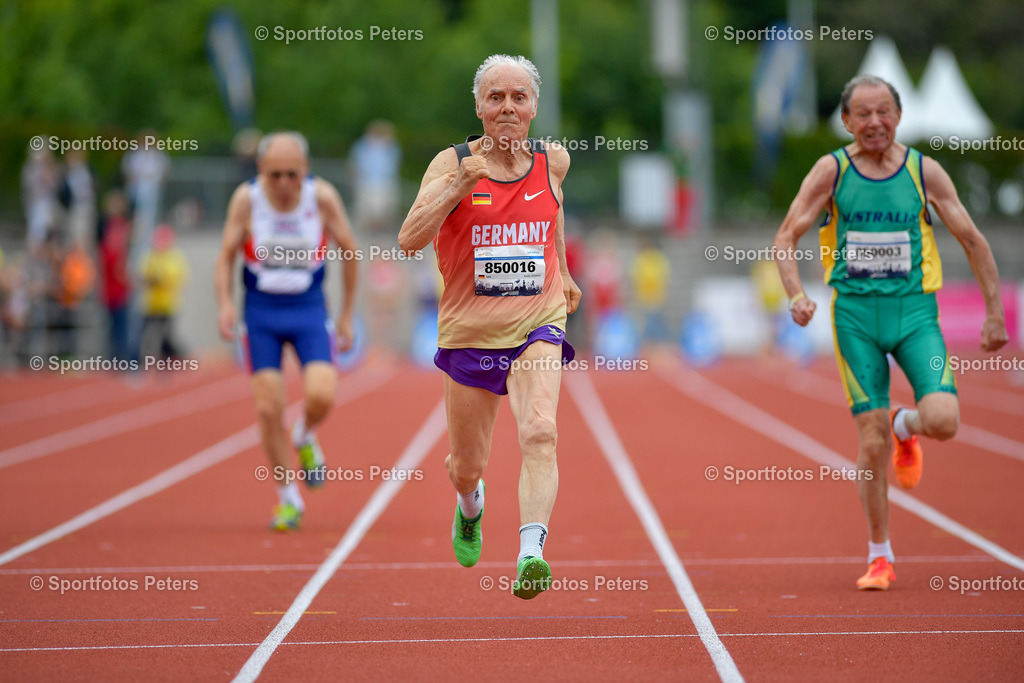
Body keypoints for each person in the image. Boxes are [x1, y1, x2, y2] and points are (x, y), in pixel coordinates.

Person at [772, 75, 1008, 591]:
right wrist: (795, 295)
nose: (875, 122)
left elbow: (972, 239)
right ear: (846, 121)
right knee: (871, 439)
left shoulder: (924, 171)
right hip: (855, 318)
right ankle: (880, 555)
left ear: (899, 116)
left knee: (944, 421)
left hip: (915, 315)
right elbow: (785, 237)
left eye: (884, 112)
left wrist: (995, 313)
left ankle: (908, 425)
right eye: (863, 114)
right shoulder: (832, 171)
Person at [399, 54, 582, 600]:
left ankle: (530, 553)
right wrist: (456, 187)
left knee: (541, 430)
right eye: (496, 97)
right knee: (466, 465)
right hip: (470, 334)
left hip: (537, 322)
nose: (507, 107)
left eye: (518, 97)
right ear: (478, 107)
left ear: (533, 107)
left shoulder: (553, 161)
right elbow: (409, 239)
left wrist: (564, 270)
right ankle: (469, 505)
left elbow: (552, 213)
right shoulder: (451, 163)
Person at [215, 132, 359, 531]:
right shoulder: (247, 200)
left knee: (321, 394)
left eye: (292, 175)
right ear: (261, 169)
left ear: (305, 170)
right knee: (267, 408)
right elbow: (225, 255)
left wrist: (347, 314)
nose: (283, 184)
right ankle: (288, 498)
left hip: (308, 308)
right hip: (261, 312)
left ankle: (304, 434)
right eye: (274, 174)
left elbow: (350, 250)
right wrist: (225, 303)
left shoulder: (321, 198)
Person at [139, 224, 189, 362]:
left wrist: (157, 279)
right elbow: (142, 275)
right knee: (150, 335)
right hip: (151, 305)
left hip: (168, 304)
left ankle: (170, 359)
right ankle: (159, 360)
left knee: (165, 336)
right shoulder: (150, 256)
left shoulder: (174, 257)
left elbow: (173, 279)